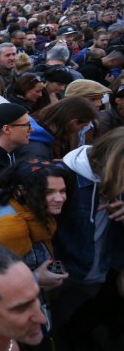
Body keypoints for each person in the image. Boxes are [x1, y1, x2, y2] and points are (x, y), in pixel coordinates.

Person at [51, 127, 124, 329]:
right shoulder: (64, 179)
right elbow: (42, 233)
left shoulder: (115, 177)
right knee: (52, 323)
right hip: (65, 277)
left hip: (101, 275)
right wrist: (53, 271)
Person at [0, 159, 73, 293]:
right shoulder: (8, 226)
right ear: (22, 191)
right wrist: (36, 278)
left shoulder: (34, 211)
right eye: (48, 192)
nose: (59, 198)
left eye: (62, 191)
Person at [19, 97, 97, 161]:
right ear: (74, 122)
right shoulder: (36, 142)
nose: (80, 130)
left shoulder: (56, 131)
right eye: (82, 127)